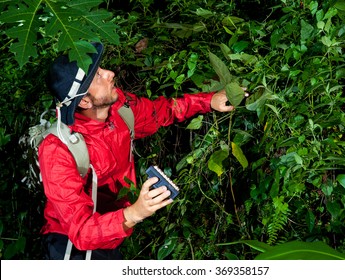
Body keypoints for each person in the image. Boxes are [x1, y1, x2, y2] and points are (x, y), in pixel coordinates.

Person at [39, 42, 235, 260]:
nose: (110, 74)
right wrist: (136, 212)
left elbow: (161, 111)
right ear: (84, 100)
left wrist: (209, 101)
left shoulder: (120, 110)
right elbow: (82, 231)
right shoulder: (57, 150)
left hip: (115, 232)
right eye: (97, 76)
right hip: (70, 245)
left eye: (101, 69)